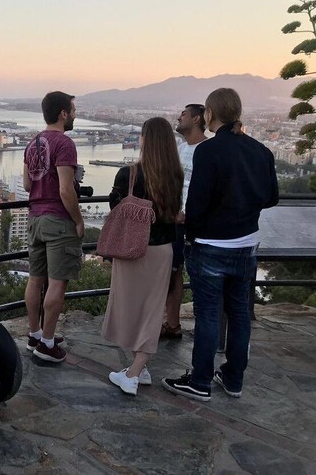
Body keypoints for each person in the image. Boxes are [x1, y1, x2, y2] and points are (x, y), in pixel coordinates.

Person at [163, 88, 278, 401]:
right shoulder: (261, 151)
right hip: (247, 245)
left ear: (209, 115)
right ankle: (233, 378)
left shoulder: (208, 152)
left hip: (210, 244)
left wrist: (189, 228)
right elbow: (271, 197)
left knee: (209, 314)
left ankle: (200, 380)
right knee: (240, 313)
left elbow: (197, 203)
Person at [102, 117, 183, 395]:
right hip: (163, 250)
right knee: (152, 308)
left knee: (130, 306)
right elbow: (174, 211)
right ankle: (141, 367)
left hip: (132, 249)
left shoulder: (128, 174)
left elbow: (114, 205)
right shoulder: (176, 175)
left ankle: (133, 374)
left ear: (146, 140)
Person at [23, 91, 84, 363]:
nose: (74, 114)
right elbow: (65, 189)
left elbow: (27, 185)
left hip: (35, 218)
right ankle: (47, 344)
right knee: (57, 283)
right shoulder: (64, 143)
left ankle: (35, 334)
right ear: (63, 113)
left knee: (35, 280)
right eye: (72, 110)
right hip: (58, 220)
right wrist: (79, 219)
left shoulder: (32, 142)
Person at [162, 104, 208, 339]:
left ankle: (204, 327)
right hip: (175, 220)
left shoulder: (208, 150)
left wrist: (189, 213)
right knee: (174, 272)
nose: (178, 117)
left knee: (197, 275)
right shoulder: (180, 148)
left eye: (183, 115)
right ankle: (172, 323)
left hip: (195, 223)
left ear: (197, 118)